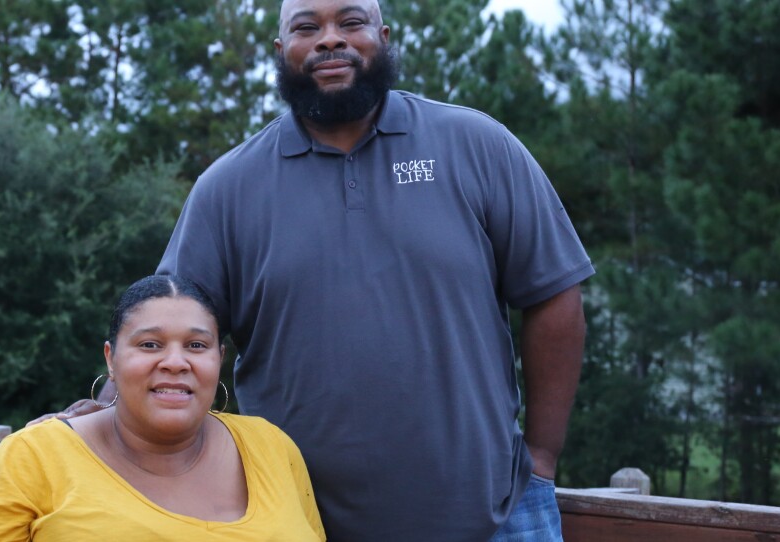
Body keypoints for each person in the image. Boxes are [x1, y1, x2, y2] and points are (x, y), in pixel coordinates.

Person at [40, 0, 593, 539]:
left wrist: (541, 458)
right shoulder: (228, 189)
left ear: (384, 36)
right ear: (282, 50)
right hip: (290, 523)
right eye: (307, 27)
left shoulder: (477, 146)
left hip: (497, 516)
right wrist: (103, 416)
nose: (330, 38)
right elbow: (168, 331)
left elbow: (553, 294)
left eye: (351, 22)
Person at [0, 275, 326, 541]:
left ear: (219, 358)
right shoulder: (34, 456)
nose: (176, 362)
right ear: (111, 359)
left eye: (197, 345)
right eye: (150, 345)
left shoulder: (272, 448)